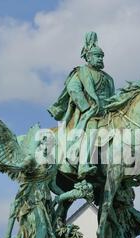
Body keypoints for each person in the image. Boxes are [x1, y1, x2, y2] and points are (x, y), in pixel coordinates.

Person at [48, 31, 115, 178]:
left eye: (102, 56)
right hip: (88, 113)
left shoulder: (109, 79)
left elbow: (113, 97)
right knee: (92, 128)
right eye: (97, 56)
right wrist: (87, 108)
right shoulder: (81, 72)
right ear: (88, 57)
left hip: (107, 114)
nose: (100, 59)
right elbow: (74, 90)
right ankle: (83, 164)